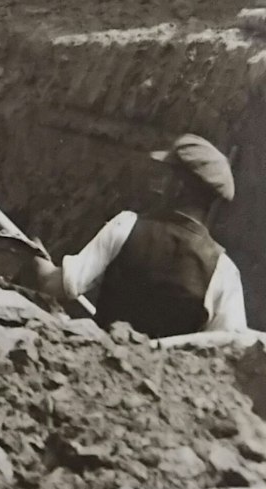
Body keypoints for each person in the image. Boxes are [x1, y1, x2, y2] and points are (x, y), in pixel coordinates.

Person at [30, 135, 247, 338]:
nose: (160, 186)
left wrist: (33, 253)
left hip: (101, 366)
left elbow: (54, 285)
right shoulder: (224, 272)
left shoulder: (126, 226)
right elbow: (228, 350)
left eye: (167, 177)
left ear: (179, 187)